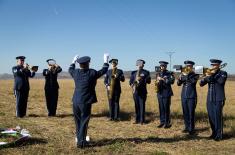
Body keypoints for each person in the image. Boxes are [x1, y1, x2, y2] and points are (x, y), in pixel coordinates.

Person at [69, 53, 109, 148]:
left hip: (75, 101)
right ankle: (81, 143)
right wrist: (105, 61)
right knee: (84, 121)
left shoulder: (75, 72)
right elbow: (104, 70)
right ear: (88, 63)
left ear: (80, 64)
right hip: (86, 101)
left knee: (78, 121)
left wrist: (73, 61)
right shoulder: (92, 73)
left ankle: (79, 138)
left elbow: (70, 69)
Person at [200, 59, 227, 141]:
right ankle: (214, 133)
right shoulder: (209, 73)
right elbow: (201, 84)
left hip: (219, 97)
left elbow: (221, 82)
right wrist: (205, 77)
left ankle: (219, 135)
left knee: (217, 116)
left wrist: (213, 75)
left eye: (215, 65)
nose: (213, 66)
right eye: (212, 65)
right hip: (210, 98)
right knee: (211, 116)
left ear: (219, 65)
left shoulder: (223, 73)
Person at [177, 60, 199, 135]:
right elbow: (178, 84)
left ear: (192, 67)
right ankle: (186, 127)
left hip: (191, 96)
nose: (187, 67)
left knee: (191, 113)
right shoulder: (183, 74)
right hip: (184, 95)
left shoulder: (195, 74)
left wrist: (185, 76)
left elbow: (193, 82)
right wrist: (180, 78)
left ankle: (191, 128)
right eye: (186, 66)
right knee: (185, 112)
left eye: (189, 66)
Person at [129, 59, 151, 125]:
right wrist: (132, 84)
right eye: (138, 63)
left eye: (140, 63)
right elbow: (130, 82)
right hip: (135, 91)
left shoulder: (146, 72)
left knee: (142, 106)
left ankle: (142, 120)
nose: (139, 65)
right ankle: (137, 119)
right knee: (136, 106)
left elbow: (149, 81)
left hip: (142, 92)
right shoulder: (133, 72)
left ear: (143, 64)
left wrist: (142, 78)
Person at [156, 61, 175, 128]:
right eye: (161, 66)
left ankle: (167, 123)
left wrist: (163, 79)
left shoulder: (170, 73)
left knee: (166, 108)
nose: (162, 67)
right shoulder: (158, 73)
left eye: (163, 66)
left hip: (166, 93)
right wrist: (157, 81)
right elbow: (156, 83)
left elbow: (172, 81)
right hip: (159, 93)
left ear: (166, 66)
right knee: (161, 108)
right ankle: (162, 122)